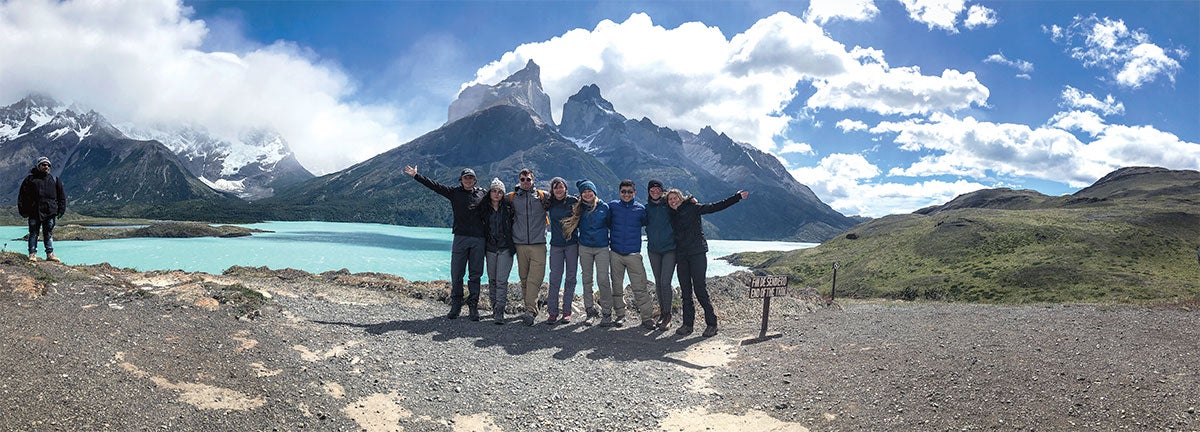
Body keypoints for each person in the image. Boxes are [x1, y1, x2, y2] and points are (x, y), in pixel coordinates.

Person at [405, 165, 486, 321]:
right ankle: (456, 306)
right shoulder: (454, 193)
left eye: (471, 178)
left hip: (478, 239)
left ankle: (473, 307)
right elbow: (435, 186)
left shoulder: (483, 194)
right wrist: (416, 176)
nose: (468, 180)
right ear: (461, 180)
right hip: (460, 238)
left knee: (475, 275)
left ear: (475, 180)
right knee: (457, 274)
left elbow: (499, 199)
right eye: (465, 178)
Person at [667, 188, 749, 337]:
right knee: (685, 291)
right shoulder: (671, 213)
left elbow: (714, 207)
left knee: (700, 289)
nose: (673, 201)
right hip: (682, 255)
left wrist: (736, 197)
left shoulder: (693, 208)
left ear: (681, 198)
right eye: (670, 199)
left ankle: (712, 324)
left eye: (675, 198)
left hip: (697, 252)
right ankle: (687, 325)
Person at [560, 179, 609, 326]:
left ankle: (607, 312)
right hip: (585, 247)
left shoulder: (604, 207)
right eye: (584, 192)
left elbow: (612, 224)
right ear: (581, 195)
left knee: (603, 279)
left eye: (590, 191)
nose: (587, 194)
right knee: (587, 280)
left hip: (602, 247)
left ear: (594, 192)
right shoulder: (578, 208)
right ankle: (590, 311)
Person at [608, 179, 655, 329]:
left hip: (633, 254)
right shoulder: (612, 207)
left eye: (629, 191)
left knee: (640, 286)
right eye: (623, 191)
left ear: (635, 192)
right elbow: (607, 222)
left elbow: (647, 223)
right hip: (615, 252)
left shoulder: (640, 209)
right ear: (619, 192)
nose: (626, 194)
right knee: (616, 286)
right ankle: (620, 315)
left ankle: (647, 318)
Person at [509, 168, 550, 326]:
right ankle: (530, 309)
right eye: (522, 179)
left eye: (528, 179)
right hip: (520, 244)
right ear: (519, 181)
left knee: (535, 279)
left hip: (538, 243)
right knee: (524, 278)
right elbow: (494, 199)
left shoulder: (542, 196)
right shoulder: (512, 198)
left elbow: (561, 199)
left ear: (533, 180)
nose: (525, 182)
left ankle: (530, 311)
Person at [481, 178, 516, 324]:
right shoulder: (484, 209)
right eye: (494, 191)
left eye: (500, 192)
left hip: (505, 248)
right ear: (490, 192)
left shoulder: (508, 208)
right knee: (492, 279)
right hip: (489, 248)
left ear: (503, 194)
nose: (496, 194)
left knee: (502, 280)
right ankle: (494, 307)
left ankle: (500, 310)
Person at [17, 156, 65, 262]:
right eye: (43, 165)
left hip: (50, 211)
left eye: (48, 165)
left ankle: (50, 254)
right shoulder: (30, 179)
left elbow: (61, 196)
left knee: (48, 233)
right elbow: (22, 196)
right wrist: (23, 210)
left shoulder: (54, 179)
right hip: (34, 211)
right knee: (33, 233)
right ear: (38, 166)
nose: (46, 167)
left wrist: (61, 210)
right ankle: (32, 254)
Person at [545, 177, 579, 325]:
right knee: (555, 278)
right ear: (552, 190)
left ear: (566, 188)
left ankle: (566, 312)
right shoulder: (549, 203)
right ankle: (552, 312)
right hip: (556, 245)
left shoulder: (574, 201)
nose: (558, 190)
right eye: (556, 187)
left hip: (572, 244)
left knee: (571, 278)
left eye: (561, 187)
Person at [644, 179, 676, 330]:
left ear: (662, 191)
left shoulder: (668, 205)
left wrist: (691, 200)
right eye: (652, 189)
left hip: (670, 249)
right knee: (658, 282)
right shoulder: (646, 208)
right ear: (649, 192)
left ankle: (668, 315)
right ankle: (662, 313)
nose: (655, 191)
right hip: (653, 249)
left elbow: (681, 203)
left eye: (658, 189)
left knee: (665, 282)